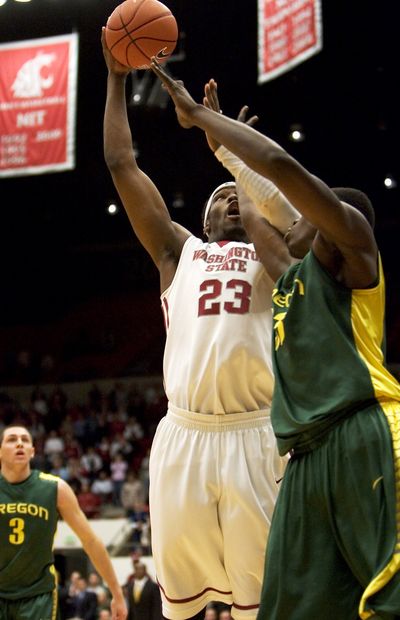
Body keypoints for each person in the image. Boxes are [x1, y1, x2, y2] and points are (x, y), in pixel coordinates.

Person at [150, 58, 400, 620]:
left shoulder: (352, 251)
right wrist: (227, 157)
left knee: (386, 592)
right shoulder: (288, 269)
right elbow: (266, 213)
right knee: (297, 600)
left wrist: (206, 122)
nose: (288, 220)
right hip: (304, 452)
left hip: (365, 429)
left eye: (305, 215)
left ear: (330, 221)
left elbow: (282, 173)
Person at [101, 29, 296, 620]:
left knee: (259, 606)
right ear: (205, 218)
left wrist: (228, 143)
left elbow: (287, 197)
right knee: (179, 607)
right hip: (184, 435)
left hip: (257, 435)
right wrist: (115, 75)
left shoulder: (278, 254)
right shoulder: (175, 254)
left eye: (239, 194)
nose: (230, 199)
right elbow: (120, 161)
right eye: (218, 197)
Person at [0, 425, 127, 620]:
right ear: (0, 451)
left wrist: (116, 593)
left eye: (25, 440)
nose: (19, 443)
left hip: (37, 596)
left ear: (32, 451)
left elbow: (91, 541)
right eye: (11, 439)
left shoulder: (55, 488)